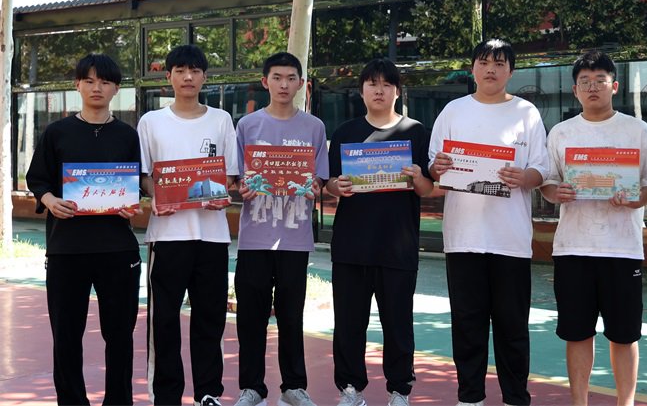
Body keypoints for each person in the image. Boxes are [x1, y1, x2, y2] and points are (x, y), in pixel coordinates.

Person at [539, 51, 647, 406]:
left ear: (615, 86)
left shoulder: (637, 130)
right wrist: (556, 192)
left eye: (600, 80)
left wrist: (635, 201)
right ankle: (580, 402)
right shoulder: (561, 132)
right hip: (573, 248)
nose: (592, 87)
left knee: (624, 335)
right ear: (575, 90)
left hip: (622, 248)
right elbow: (548, 182)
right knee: (577, 333)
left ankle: (625, 402)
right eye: (585, 82)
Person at [428, 39, 549, 406]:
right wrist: (438, 166)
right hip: (463, 237)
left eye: (499, 63)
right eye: (484, 62)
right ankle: (470, 398)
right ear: (473, 68)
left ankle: (516, 398)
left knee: (513, 326)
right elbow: (434, 165)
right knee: (468, 323)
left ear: (511, 71)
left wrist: (524, 177)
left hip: (510, 239)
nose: (491, 69)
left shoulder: (526, 113)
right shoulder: (453, 111)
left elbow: (541, 169)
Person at [26, 54, 142, 405]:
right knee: (66, 336)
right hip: (67, 249)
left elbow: (134, 186)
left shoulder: (127, 135)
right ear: (77, 85)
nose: (96, 88)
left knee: (120, 336)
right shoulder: (56, 132)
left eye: (105, 82)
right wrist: (49, 200)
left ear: (116, 89)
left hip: (118, 250)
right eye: (89, 81)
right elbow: (37, 179)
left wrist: (132, 205)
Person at [326, 58, 434, 406]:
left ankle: (399, 390)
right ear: (361, 91)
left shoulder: (416, 132)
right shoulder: (345, 133)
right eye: (372, 83)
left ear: (397, 91)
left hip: (397, 246)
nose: (379, 90)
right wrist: (337, 186)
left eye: (387, 84)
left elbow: (428, 188)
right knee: (348, 324)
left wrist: (417, 177)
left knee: (398, 325)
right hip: (351, 246)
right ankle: (350, 389)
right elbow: (329, 182)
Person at [138, 44, 239, 406]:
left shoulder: (221, 120)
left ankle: (208, 393)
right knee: (164, 320)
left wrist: (216, 190)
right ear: (168, 77)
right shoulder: (151, 122)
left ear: (204, 77)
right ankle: (165, 395)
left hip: (212, 236)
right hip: (167, 237)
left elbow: (229, 174)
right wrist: (160, 196)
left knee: (210, 319)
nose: (188, 77)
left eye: (195, 71)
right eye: (180, 71)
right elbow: (145, 175)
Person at [233, 52, 329, 406]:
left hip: (295, 237)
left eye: (291, 78)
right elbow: (236, 178)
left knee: (291, 316)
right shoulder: (247, 126)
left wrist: (315, 186)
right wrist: (241, 188)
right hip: (254, 238)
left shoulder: (314, 127)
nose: (284, 84)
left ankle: (293, 386)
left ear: (301, 83)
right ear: (265, 82)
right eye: (277, 77)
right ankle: (252, 388)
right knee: (251, 317)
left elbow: (320, 177)